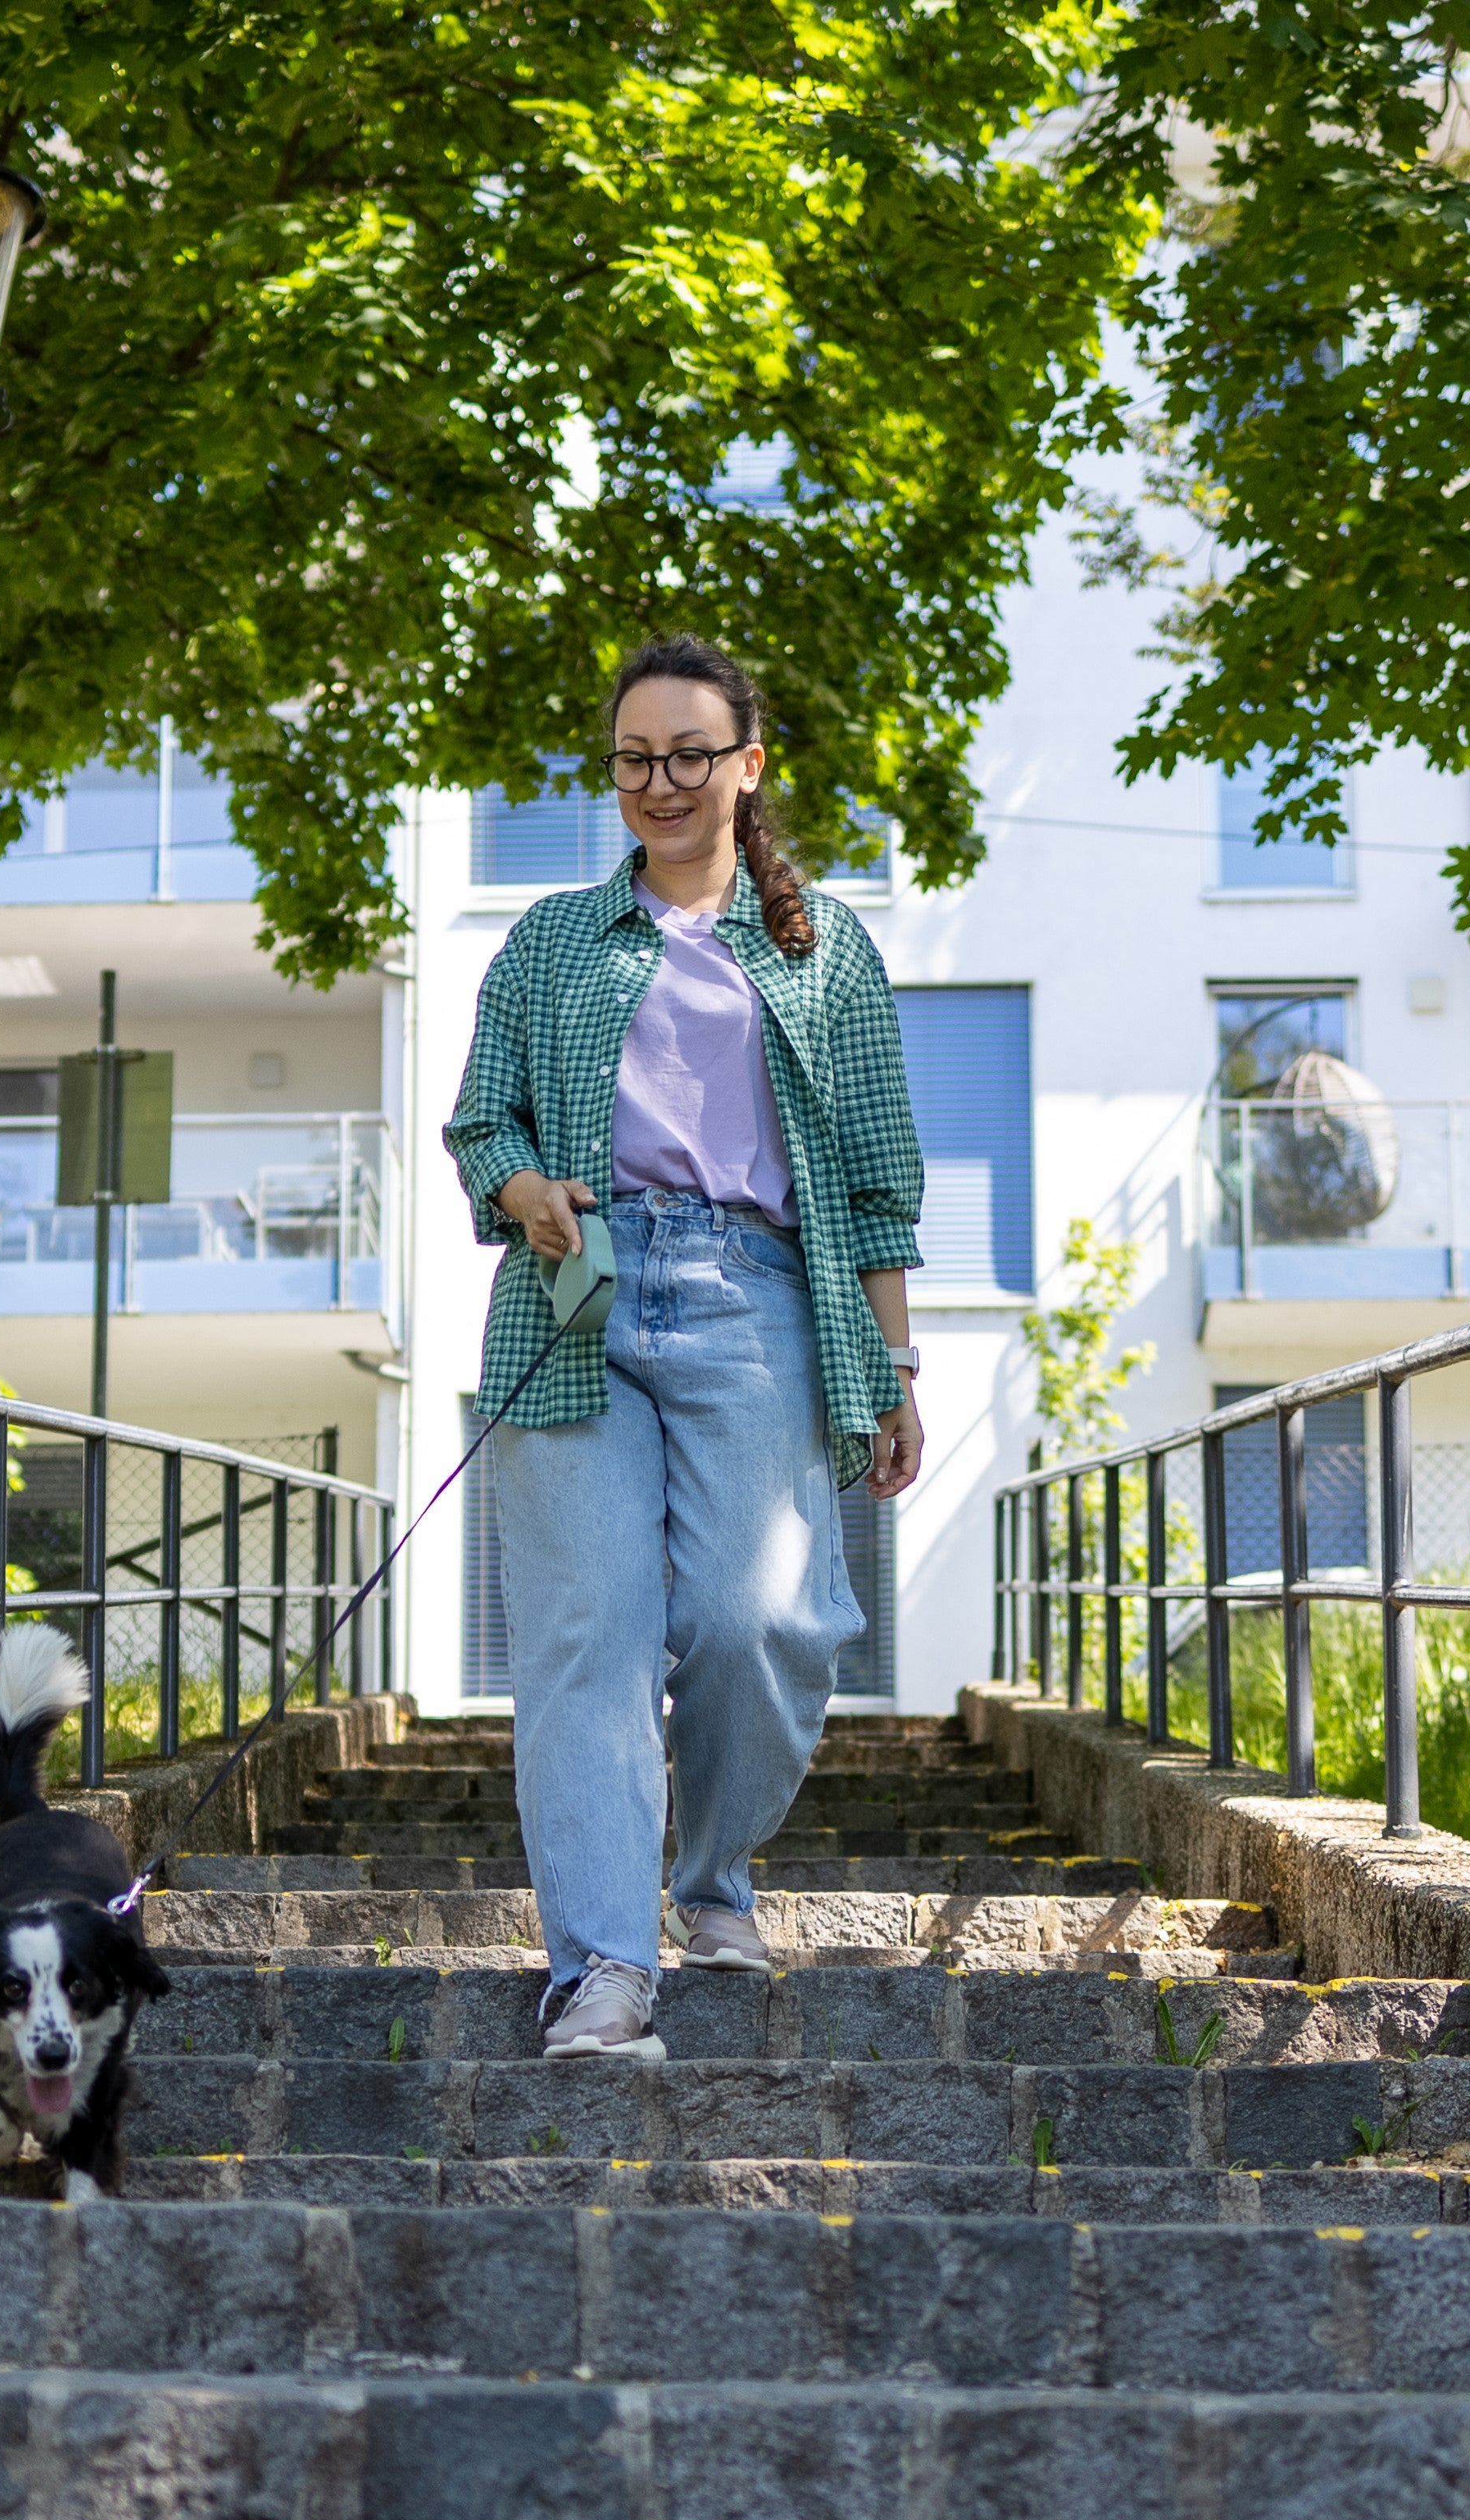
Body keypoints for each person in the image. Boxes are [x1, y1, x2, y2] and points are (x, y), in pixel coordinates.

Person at [442, 635, 928, 2061]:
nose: (660, 783)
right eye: (635, 759)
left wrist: (897, 1369)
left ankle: (712, 1875)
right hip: (575, 1298)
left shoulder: (825, 950)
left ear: (747, 765)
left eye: (690, 756)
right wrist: (522, 1192)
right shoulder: (550, 941)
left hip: (758, 1296)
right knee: (588, 1634)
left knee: (760, 1618)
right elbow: (483, 1121)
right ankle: (602, 1965)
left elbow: (878, 1180)